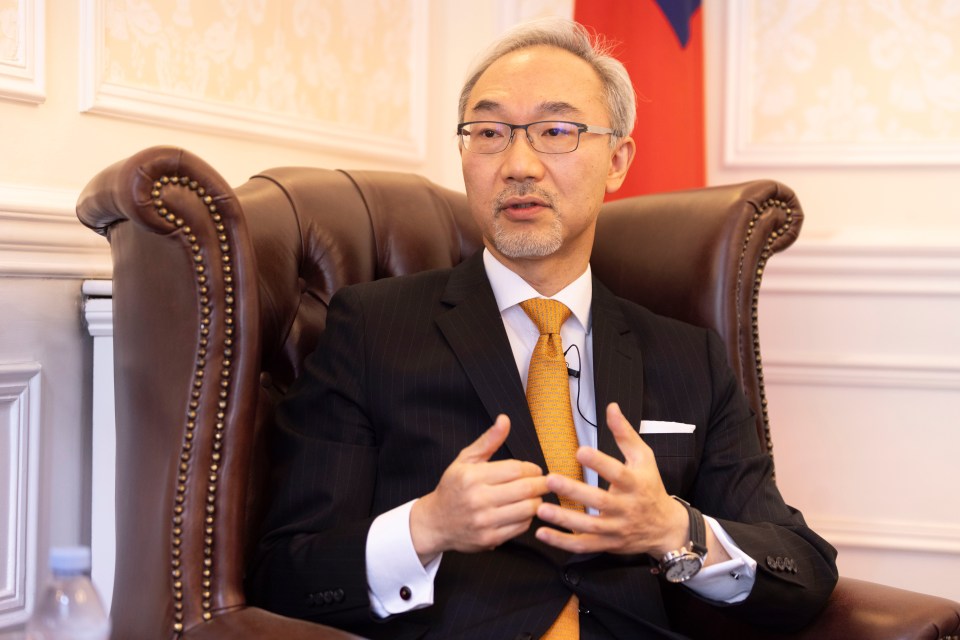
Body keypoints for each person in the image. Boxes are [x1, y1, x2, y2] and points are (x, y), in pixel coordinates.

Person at [248, 17, 838, 639]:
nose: (519, 164)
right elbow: (285, 572)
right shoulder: (371, 328)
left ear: (617, 160)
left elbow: (802, 571)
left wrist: (671, 528)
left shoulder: (688, 355)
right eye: (490, 132)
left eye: (557, 131)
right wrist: (427, 526)